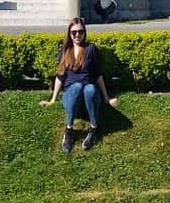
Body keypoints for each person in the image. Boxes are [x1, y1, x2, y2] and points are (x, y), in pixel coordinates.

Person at [39, 17, 117, 152]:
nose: (77, 35)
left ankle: (93, 129)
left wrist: (106, 98)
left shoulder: (91, 49)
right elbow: (60, 76)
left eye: (80, 32)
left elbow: (98, 75)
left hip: (89, 97)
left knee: (90, 88)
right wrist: (52, 100)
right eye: (73, 32)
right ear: (69, 33)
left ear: (84, 32)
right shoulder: (65, 50)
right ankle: (69, 131)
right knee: (77, 86)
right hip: (72, 95)